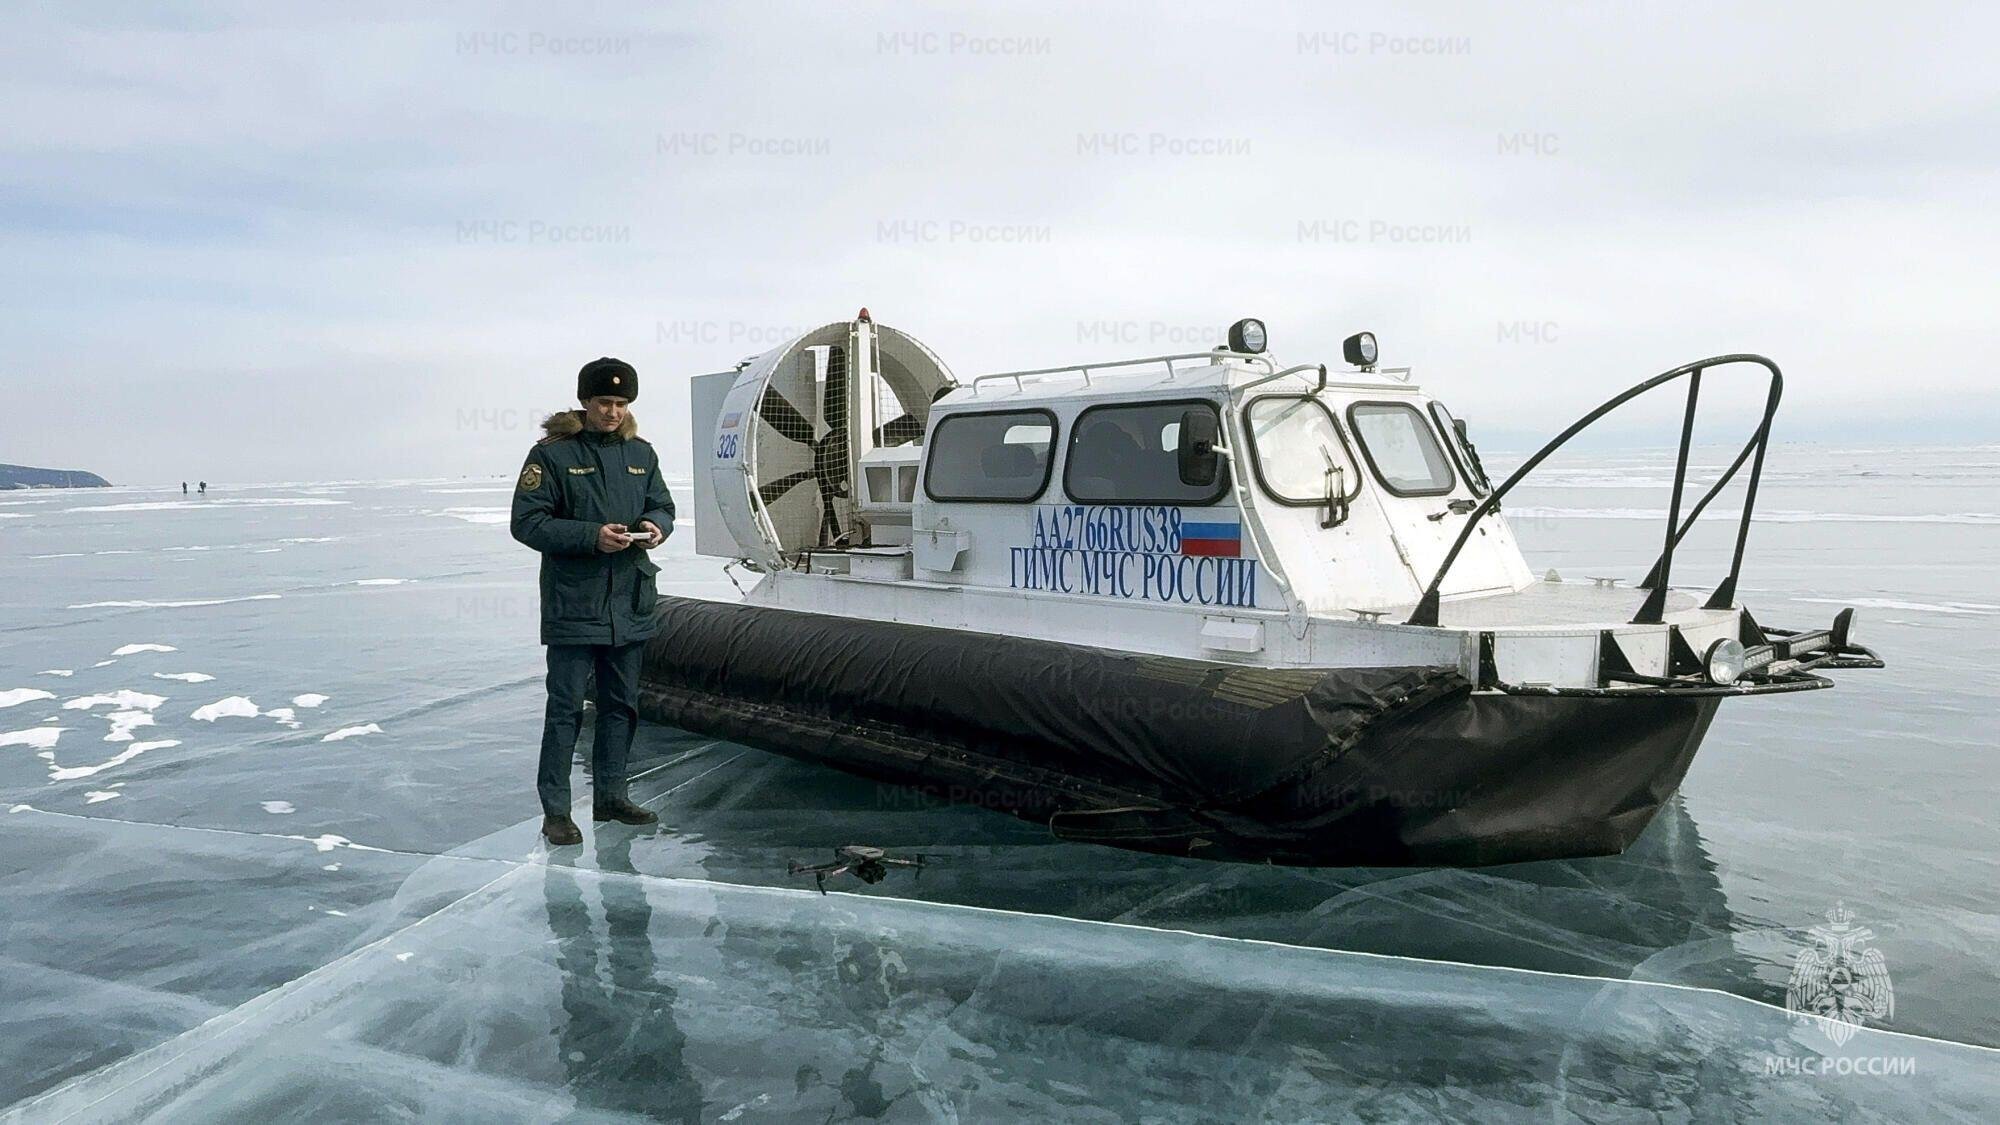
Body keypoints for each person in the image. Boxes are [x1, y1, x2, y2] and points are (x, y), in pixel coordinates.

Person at [510, 356, 676, 846]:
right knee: (565, 710)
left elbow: (663, 505)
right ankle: (556, 813)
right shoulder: (552, 455)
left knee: (621, 705)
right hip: (574, 604)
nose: (613, 412)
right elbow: (527, 523)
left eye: (621, 403)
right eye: (605, 402)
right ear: (585, 401)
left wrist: (655, 527)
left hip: (630, 602)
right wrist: (591, 537)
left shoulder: (641, 454)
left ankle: (611, 797)